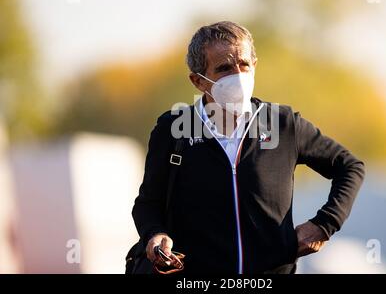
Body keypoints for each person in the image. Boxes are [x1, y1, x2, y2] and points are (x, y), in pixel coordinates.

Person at [132, 21, 365, 274]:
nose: (238, 75)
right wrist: (154, 235)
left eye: (243, 64)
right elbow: (148, 203)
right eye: (224, 68)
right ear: (198, 81)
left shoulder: (284, 124)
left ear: (254, 65)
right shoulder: (173, 128)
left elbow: (350, 166)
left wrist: (324, 224)